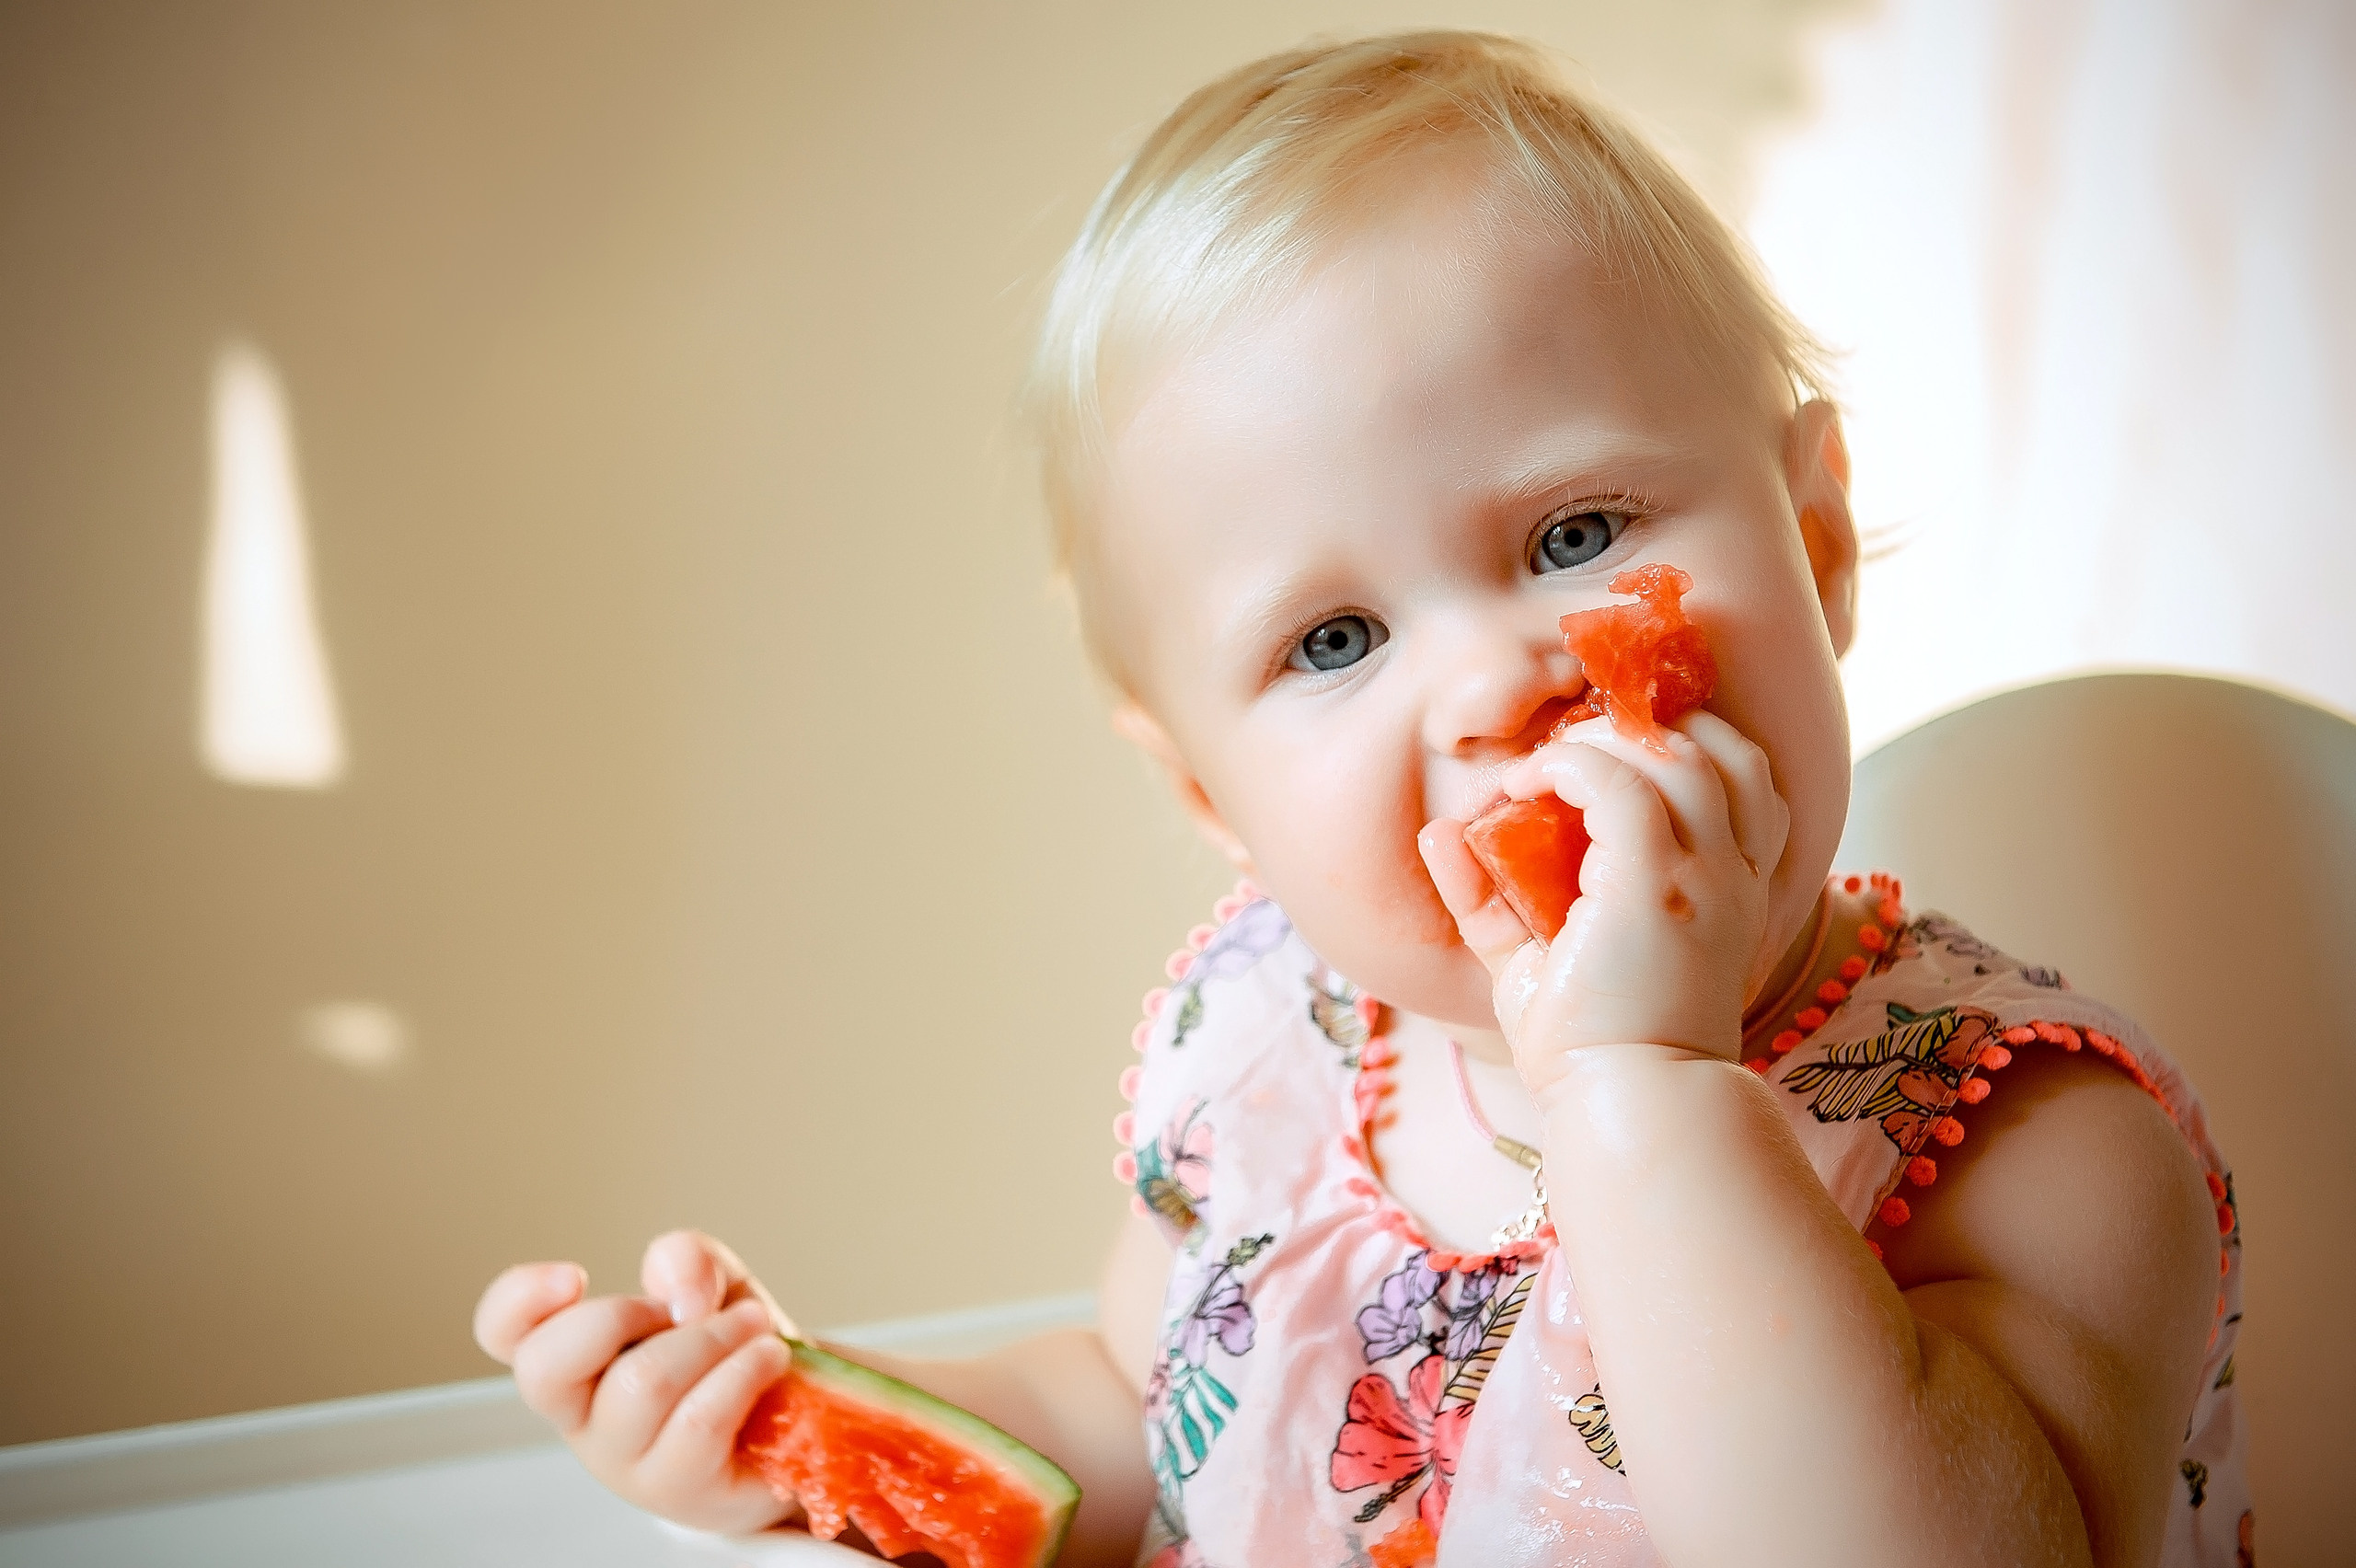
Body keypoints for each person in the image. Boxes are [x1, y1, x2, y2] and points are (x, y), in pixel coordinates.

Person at [472, 33, 2248, 1567]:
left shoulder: (2032, 1151)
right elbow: (1138, 1423)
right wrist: (817, 1430)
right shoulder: (1286, 1054)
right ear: (1209, 796)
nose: (1497, 683)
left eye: (1575, 535)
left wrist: (1643, 1085)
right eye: (1333, 640)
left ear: (1819, 540)